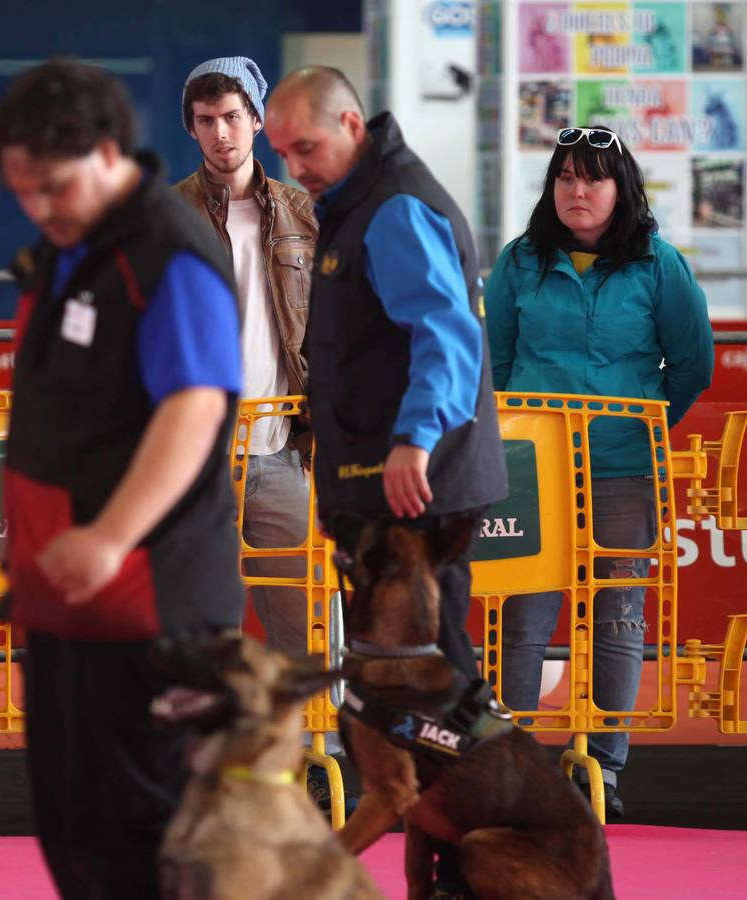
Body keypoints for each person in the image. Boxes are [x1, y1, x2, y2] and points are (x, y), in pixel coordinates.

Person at [0, 59, 244, 897]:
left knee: (152, 849)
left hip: (151, 608)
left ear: (105, 150)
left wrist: (108, 537)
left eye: (52, 188)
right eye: (22, 193)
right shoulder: (70, 250)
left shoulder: (169, 251)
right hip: (68, 605)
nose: (38, 210)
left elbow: (196, 406)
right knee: (76, 839)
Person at [265, 67, 508, 897]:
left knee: (437, 681)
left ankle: (492, 827)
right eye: (283, 153)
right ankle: (450, 850)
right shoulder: (360, 201)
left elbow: (446, 333)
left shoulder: (395, 204)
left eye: (306, 146)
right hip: (393, 489)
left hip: (417, 487)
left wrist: (413, 437)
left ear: (351, 122)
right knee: (428, 684)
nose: (295, 166)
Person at [483, 125, 714, 820]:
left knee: (617, 620)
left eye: (594, 178)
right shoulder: (518, 263)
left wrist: (640, 425)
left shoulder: (658, 264)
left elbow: (694, 363)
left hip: (622, 471)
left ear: (623, 189)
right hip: (531, 474)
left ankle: (602, 768)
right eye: (565, 177)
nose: (578, 191)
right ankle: (512, 766)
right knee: (522, 621)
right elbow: (493, 363)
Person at [173, 56, 319, 658]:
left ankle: (316, 746)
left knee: (303, 622)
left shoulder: (302, 214)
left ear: (257, 120)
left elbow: (330, 329)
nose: (220, 133)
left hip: (282, 449)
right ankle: (204, 750)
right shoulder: (165, 217)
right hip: (195, 459)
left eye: (232, 116)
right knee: (200, 625)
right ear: (192, 128)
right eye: (206, 120)